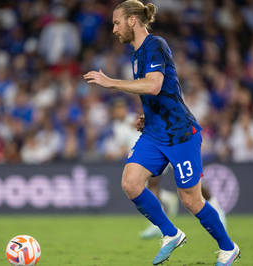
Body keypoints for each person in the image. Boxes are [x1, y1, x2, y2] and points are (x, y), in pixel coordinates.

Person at [83, 1, 240, 265]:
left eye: (116, 22)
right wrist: (150, 116)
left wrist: (111, 83)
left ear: (133, 20)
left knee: (191, 200)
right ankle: (171, 233)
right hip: (156, 133)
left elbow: (154, 85)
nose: (113, 29)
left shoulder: (155, 44)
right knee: (131, 182)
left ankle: (228, 248)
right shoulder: (136, 55)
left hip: (180, 134)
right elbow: (159, 91)